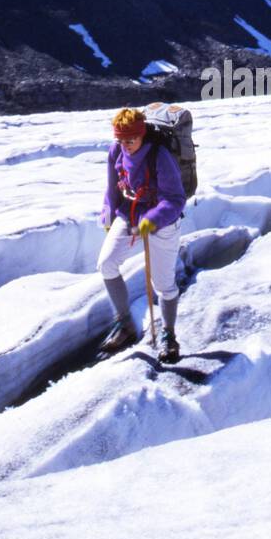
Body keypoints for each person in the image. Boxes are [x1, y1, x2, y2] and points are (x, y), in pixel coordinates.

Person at [97, 107, 186, 362]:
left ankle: (168, 334)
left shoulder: (160, 156)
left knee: (163, 284)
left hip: (163, 222)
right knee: (106, 264)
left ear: (142, 134)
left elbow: (175, 199)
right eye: (121, 140)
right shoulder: (116, 151)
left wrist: (151, 221)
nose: (126, 145)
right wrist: (108, 214)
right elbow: (113, 187)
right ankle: (124, 323)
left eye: (131, 140)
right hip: (129, 214)